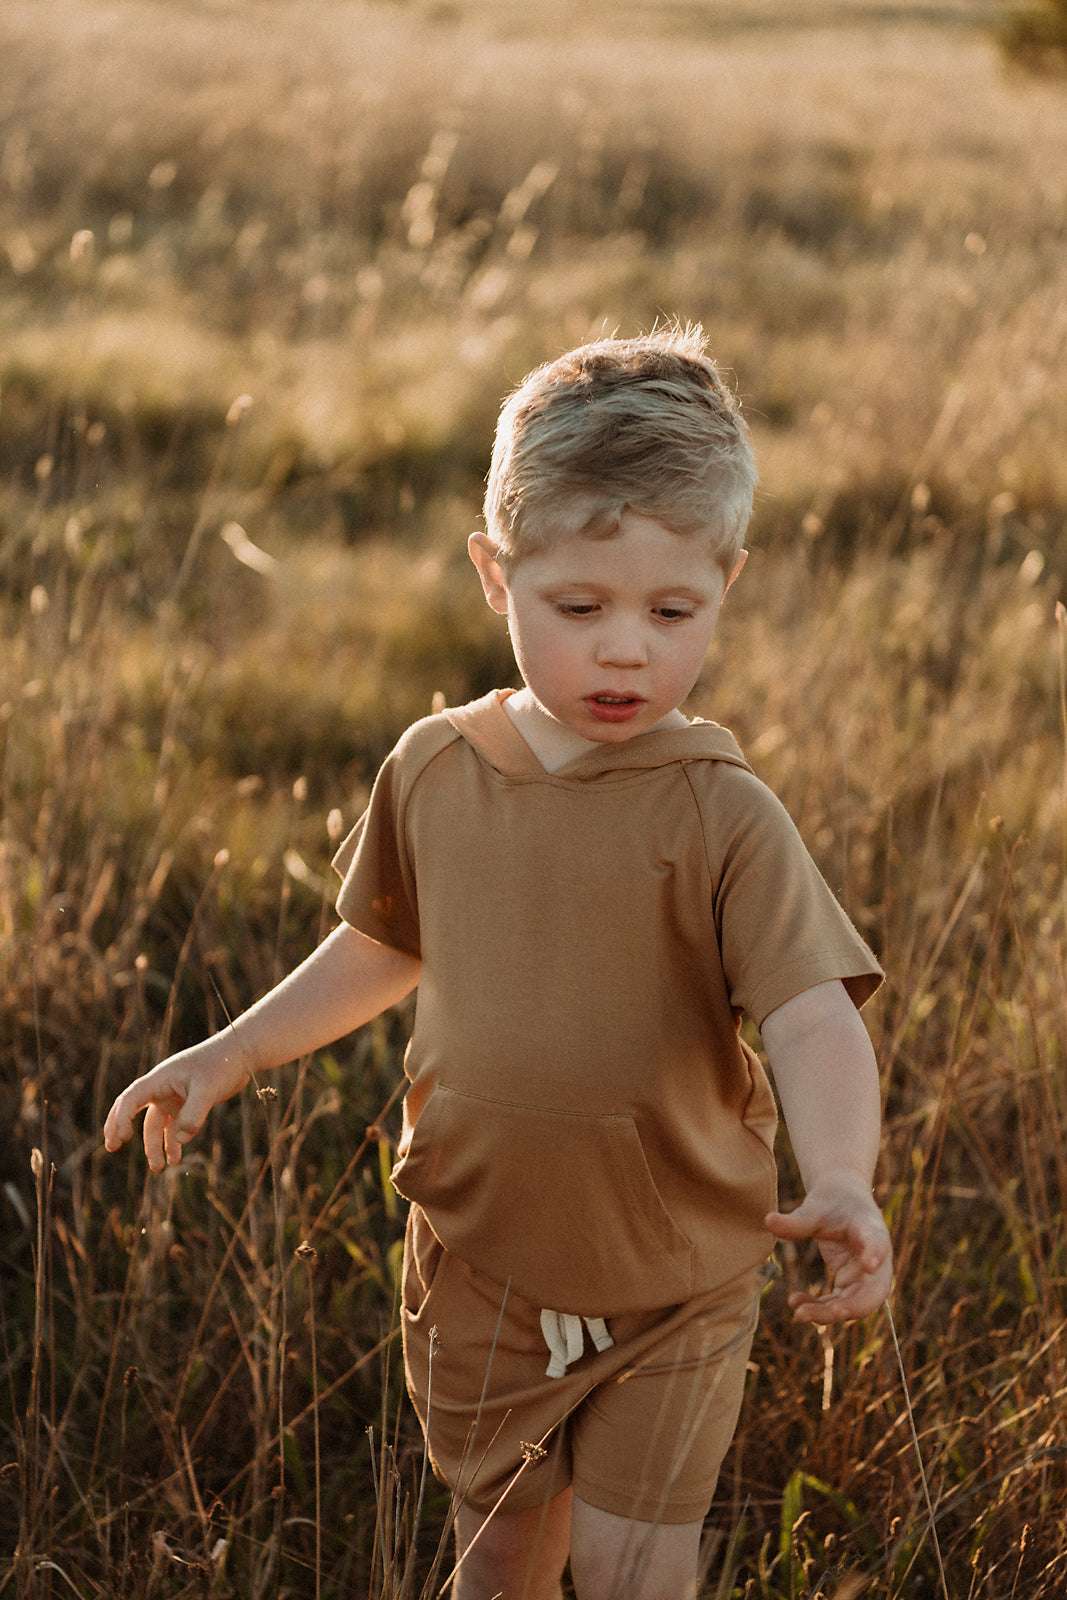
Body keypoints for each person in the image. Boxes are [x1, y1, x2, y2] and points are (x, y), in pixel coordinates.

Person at [103, 322, 894, 1600]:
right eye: (577, 607)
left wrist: (844, 1175)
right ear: (494, 574)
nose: (624, 647)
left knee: (641, 1570)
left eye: (670, 610)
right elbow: (380, 943)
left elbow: (808, 1011)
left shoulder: (718, 808)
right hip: (482, 1259)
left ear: (724, 587)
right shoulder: (435, 766)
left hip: (677, 1274)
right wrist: (231, 1050)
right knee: (500, 1553)